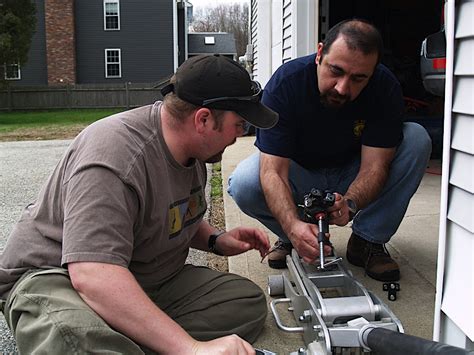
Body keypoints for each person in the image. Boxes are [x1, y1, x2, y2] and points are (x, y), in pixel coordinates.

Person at [0, 54, 279, 354]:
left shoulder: (194, 150)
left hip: (140, 275)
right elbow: (92, 274)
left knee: (244, 302)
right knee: (75, 343)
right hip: (58, 277)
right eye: (238, 125)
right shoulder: (114, 156)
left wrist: (216, 240)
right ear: (203, 119)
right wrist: (191, 348)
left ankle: (125, 332)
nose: (240, 135)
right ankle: (120, 334)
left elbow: (168, 210)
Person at [228, 19, 432, 282]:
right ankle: (294, 236)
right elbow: (273, 171)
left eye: (359, 79)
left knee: (417, 139)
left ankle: (367, 241)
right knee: (245, 181)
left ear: (373, 72)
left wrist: (350, 203)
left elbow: (375, 167)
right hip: (300, 174)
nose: (342, 88)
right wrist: (292, 226)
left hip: (352, 171)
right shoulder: (286, 84)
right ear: (320, 53)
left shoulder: (384, 87)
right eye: (336, 71)